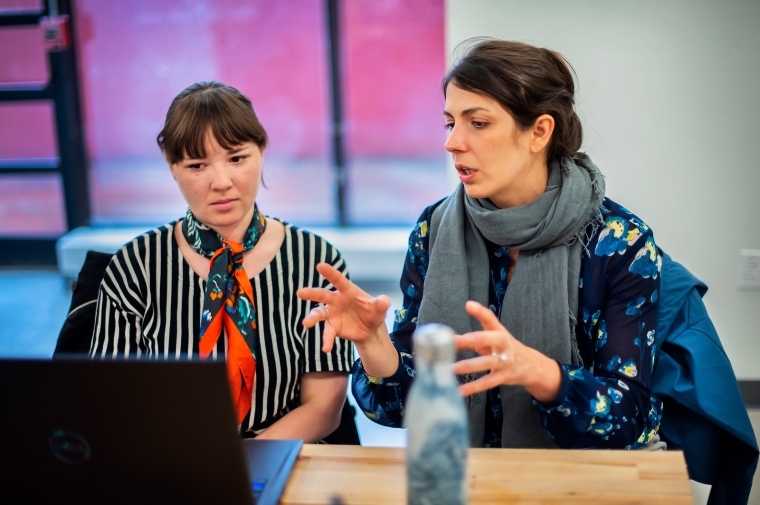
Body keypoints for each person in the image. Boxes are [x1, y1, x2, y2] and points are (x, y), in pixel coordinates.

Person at [298, 39, 665, 449]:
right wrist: (373, 342)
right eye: (450, 122)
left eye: (478, 122)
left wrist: (539, 372)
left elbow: (627, 418)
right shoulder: (434, 229)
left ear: (539, 132)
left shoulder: (618, 243)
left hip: (585, 473)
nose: (452, 142)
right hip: (466, 471)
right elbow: (401, 409)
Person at [89, 82, 353, 442]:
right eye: (197, 165)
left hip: (283, 458)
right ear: (172, 166)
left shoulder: (316, 261)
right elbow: (109, 400)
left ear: (261, 150)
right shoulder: (136, 267)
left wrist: (243, 471)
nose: (222, 182)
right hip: (169, 463)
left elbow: (325, 407)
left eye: (237, 158)